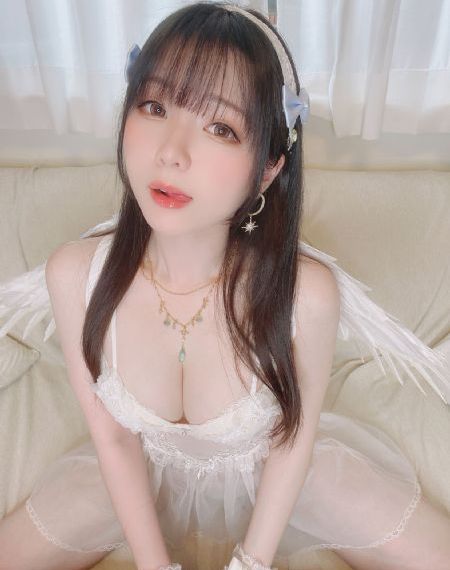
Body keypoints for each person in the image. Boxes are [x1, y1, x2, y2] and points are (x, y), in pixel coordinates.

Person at [0, 2, 449, 570]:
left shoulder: (306, 295)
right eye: (154, 106)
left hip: (278, 488)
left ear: (268, 169)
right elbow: (113, 439)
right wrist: (154, 565)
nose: (171, 152)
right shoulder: (73, 275)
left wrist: (251, 563)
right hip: (132, 485)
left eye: (221, 128)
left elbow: (292, 441)